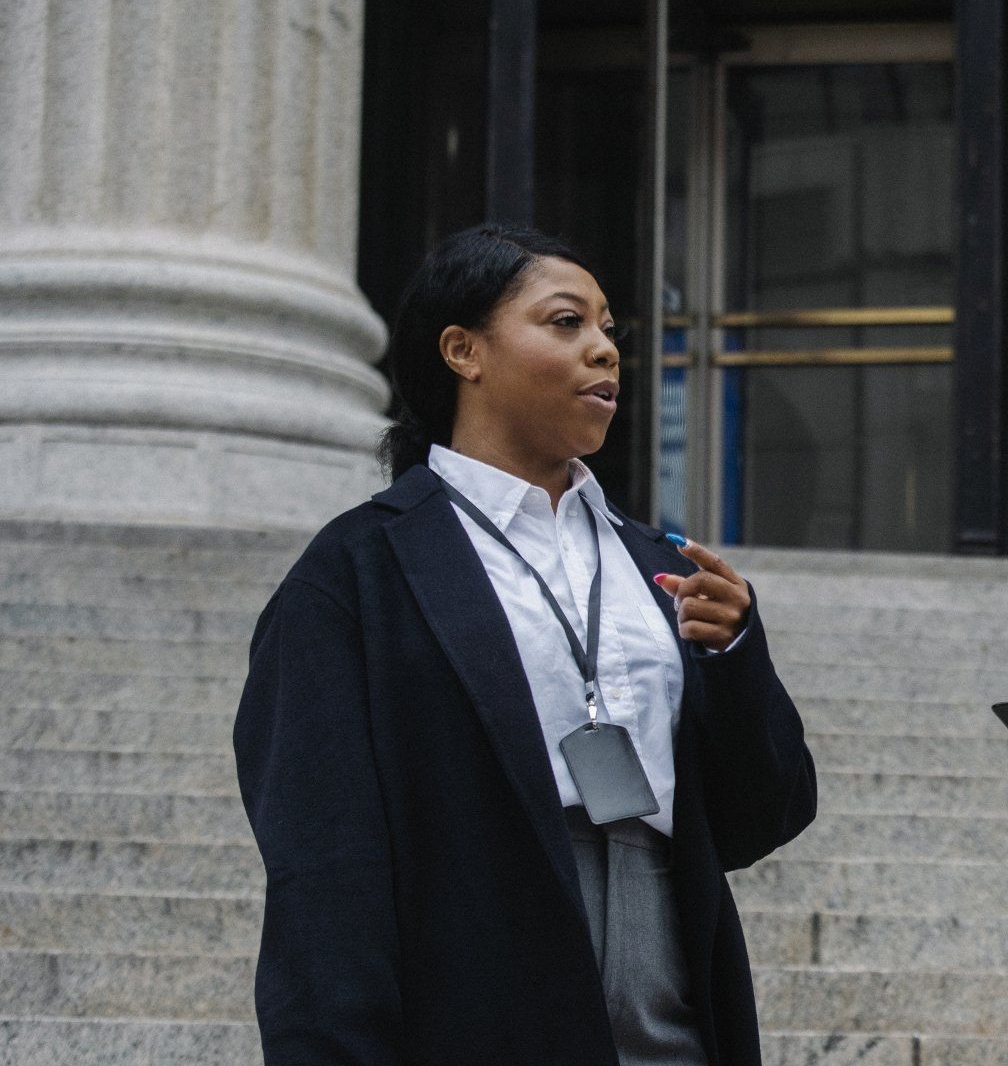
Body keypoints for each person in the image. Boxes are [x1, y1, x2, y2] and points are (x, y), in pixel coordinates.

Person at [233, 224, 816, 1065]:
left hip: (670, 970)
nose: (605, 350)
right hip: (472, 971)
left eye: (610, 329)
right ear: (464, 351)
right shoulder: (359, 570)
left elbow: (764, 817)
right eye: (567, 322)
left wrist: (734, 656)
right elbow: (322, 863)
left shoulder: (655, 563)